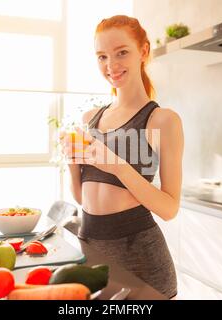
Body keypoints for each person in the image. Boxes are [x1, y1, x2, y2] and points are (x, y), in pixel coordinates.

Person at [60, 15, 184, 299]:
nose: (111, 65)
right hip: (91, 256)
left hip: (142, 266)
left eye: (121, 53)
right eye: (102, 56)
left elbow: (169, 208)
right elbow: (82, 198)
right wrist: (72, 163)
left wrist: (119, 167)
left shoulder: (161, 120)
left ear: (143, 51)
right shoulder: (91, 118)